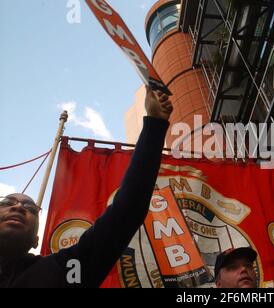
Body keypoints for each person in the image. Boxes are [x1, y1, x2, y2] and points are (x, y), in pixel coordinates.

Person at [0, 86, 173, 288]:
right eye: (7, 202)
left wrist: (154, 124)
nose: (19, 207)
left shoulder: (66, 270)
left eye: (30, 209)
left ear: (36, 241)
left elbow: (125, 213)